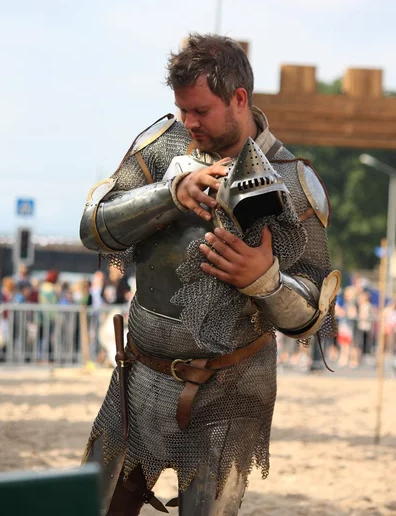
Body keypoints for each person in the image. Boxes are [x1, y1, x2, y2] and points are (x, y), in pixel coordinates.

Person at [80, 34, 340, 516]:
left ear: (239, 98)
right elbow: (94, 228)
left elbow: (312, 315)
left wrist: (265, 280)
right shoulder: (160, 149)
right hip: (138, 379)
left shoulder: (292, 182)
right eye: (182, 109)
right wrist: (168, 193)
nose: (188, 121)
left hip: (232, 394)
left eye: (199, 109)